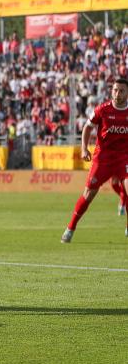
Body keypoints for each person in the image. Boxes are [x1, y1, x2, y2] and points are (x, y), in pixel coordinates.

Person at [62, 78, 128, 243]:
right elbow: (87, 127)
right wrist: (84, 148)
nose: (117, 93)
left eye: (121, 91)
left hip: (123, 158)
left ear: (127, 93)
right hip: (103, 158)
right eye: (115, 90)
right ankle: (70, 228)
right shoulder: (102, 110)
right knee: (89, 194)